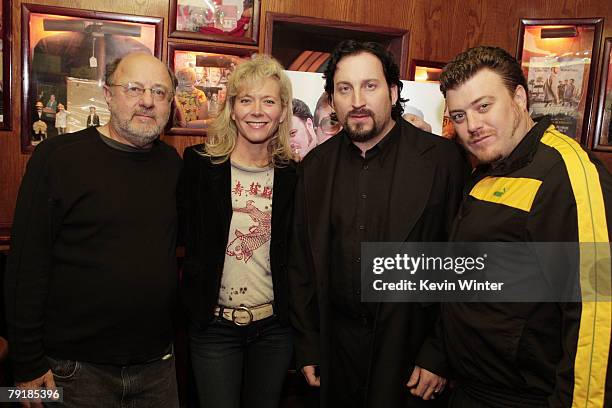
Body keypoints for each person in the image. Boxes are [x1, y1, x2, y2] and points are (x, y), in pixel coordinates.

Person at [289, 40, 469, 407]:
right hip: (335, 353)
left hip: (410, 354)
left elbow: (460, 263)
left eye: (369, 86)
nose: (357, 100)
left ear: (393, 91)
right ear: (332, 99)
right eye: (344, 88)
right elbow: (301, 263)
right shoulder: (314, 167)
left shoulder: (443, 161)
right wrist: (308, 344)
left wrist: (438, 353)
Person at [434, 45, 611, 407]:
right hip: (470, 389)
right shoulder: (487, 169)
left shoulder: (568, 174)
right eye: (460, 115)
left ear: (519, 97)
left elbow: (597, 310)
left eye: (484, 106)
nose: (473, 126)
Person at [5, 52, 182, 407]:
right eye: (134, 88)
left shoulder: (172, 165)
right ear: (108, 94)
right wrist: (25, 364)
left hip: (157, 367)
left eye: (159, 92)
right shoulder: (57, 158)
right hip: (73, 370)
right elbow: (27, 264)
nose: (147, 101)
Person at [180, 54, 296, 408]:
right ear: (231, 108)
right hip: (214, 328)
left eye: (268, 101)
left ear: (281, 111)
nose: (257, 111)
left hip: (275, 329)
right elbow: (181, 238)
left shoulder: (295, 175)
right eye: (246, 99)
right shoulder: (199, 165)